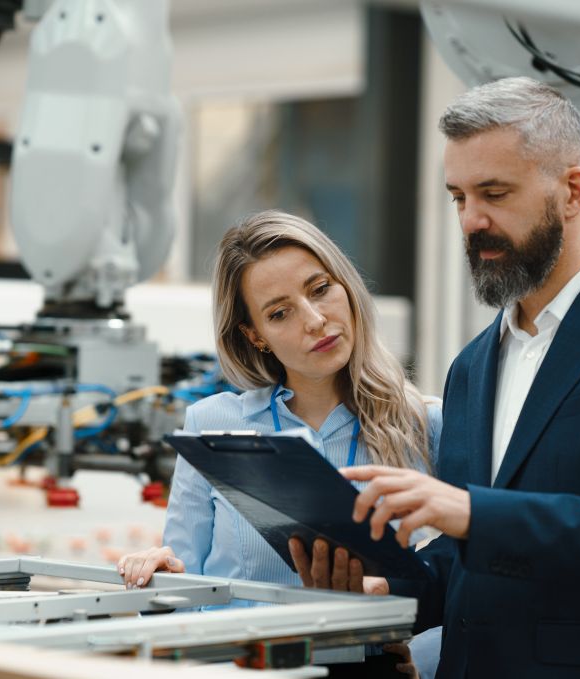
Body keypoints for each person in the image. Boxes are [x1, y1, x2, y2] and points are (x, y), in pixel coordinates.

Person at [291, 77, 580, 679]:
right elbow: (475, 558)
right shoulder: (473, 364)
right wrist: (386, 594)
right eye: (458, 197)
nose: (471, 221)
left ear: (572, 192)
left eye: (493, 193)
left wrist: (470, 512)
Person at [117, 209, 442, 677]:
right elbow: (181, 600)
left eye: (320, 289)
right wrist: (155, 578)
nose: (315, 320)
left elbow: (465, 584)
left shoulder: (423, 424)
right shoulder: (212, 425)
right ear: (256, 335)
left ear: (346, 286)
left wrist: (422, 661)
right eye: (279, 313)